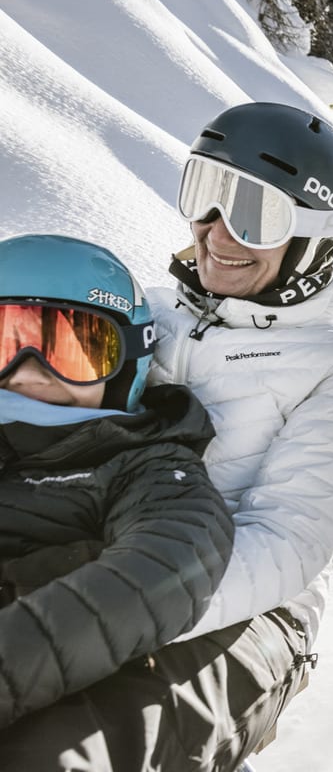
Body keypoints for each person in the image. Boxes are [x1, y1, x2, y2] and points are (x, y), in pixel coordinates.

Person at [2, 102, 333, 771]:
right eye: (205, 194)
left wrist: (124, 601)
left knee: (70, 748)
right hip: (107, 564)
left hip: (245, 613)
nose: (216, 230)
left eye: (254, 213)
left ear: (314, 237)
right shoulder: (149, 313)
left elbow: (287, 544)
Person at [0, 235, 233, 736]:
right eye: (7, 342)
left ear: (127, 364)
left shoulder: (148, 466)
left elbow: (168, 565)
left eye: (71, 349)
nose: (28, 373)